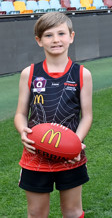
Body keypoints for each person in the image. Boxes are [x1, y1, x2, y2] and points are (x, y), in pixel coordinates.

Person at [14, 12, 93, 218]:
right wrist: (23, 130)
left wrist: (76, 142)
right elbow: (21, 114)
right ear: (39, 41)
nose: (56, 40)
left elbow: (87, 116)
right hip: (35, 155)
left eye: (61, 33)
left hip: (70, 156)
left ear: (71, 36)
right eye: (48, 35)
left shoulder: (82, 73)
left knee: (73, 211)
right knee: (37, 213)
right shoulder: (29, 73)